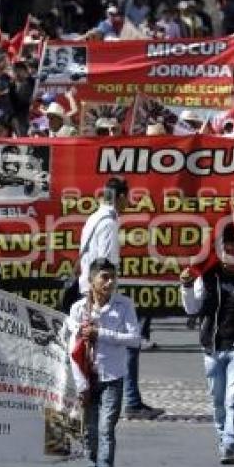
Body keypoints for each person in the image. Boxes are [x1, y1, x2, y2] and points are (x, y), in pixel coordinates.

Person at [78, 176, 163, 421]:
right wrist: (106, 297)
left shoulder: (95, 218)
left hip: (93, 292)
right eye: (128, 198)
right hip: (101, 294)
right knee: (126, 343)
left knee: (102, 347)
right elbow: (102, 263)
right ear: (121, 197)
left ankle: (113, 398)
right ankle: (128, 401)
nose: (129, 203)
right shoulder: (107, 223)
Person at [180, 225, 234, 464]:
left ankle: (230, 443)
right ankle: (222, 435)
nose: (230, 255)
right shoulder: (208, 277)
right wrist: (187, 286)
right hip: (211, 348)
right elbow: (191, 308)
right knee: (217, 399)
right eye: (225, 250)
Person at [68, 258, 140, 467]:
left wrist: (102, 333)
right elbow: (72, 348)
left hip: (113, 377)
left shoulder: (124, 305)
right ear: (91, 281)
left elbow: (134, 339)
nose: (109, 283)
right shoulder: (79, 309)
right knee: (90, 430)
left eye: (113, 278)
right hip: (88, 378)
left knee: (106, 428)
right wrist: (80, 386)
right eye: (104, 278)